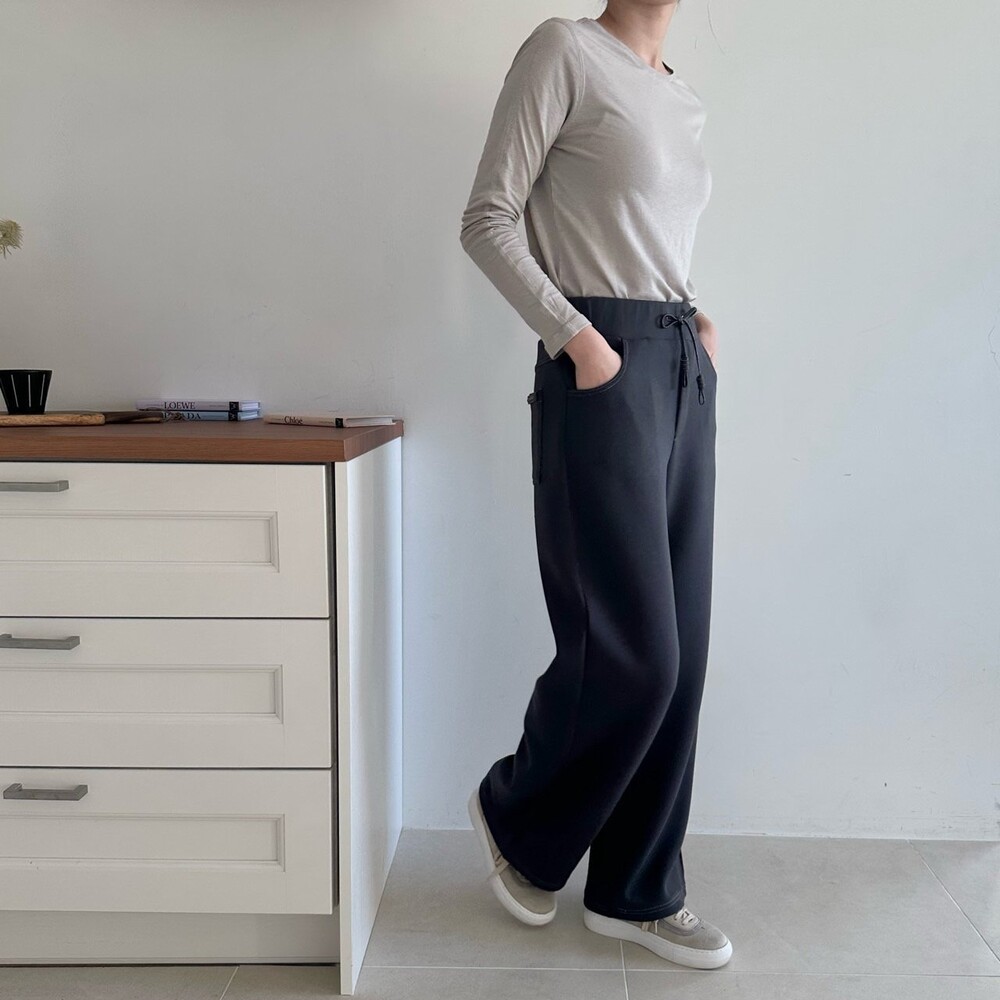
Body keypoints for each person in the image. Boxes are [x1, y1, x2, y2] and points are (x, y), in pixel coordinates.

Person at [458, 0, 732, 970]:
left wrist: (697, 326)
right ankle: (516, 812)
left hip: (678, 365)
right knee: (632, 652)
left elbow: (647, 237)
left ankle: (636, 890)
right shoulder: (564, 52)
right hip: (601, 364)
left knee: (682, 661)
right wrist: (578, 340)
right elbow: (487, 218)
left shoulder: (681, 101)